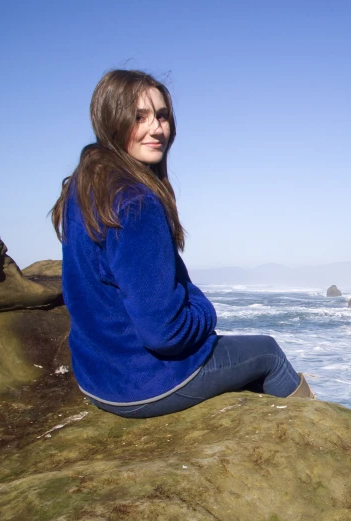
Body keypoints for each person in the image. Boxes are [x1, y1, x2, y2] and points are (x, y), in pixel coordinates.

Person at [51, 69, 313, 418]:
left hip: (98, 376)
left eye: (161, 116)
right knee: (267, 352)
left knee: (235, 356)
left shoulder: (84, 184)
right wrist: (206, 311)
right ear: (111, 120)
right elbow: (165, 333)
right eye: (139, 117)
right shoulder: (135, 201)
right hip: (141, 384)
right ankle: (322, 437)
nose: (156, 128)